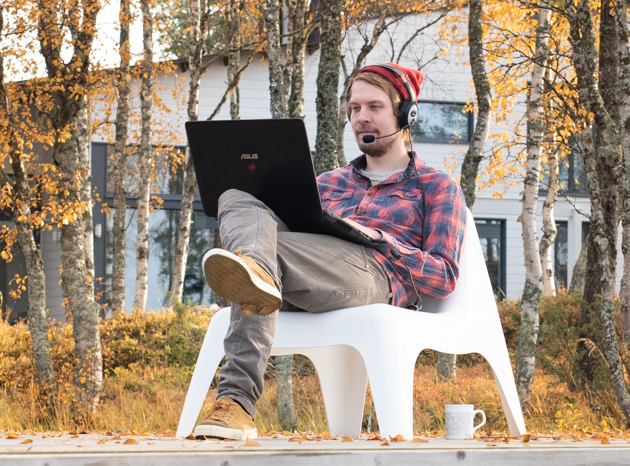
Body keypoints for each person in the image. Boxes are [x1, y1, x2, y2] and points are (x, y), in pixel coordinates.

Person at [189, 63, 469, 440]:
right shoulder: (326, 182)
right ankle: (256, 269)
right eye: (354, 109)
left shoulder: (436, 186)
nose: (361, 118)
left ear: (406, 114)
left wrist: (382, 239)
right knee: (237, 196)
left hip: (374, 274)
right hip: (302, 270)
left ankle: (237, 402)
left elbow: (445, 276)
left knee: (257, 261)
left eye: (374, 107)